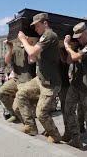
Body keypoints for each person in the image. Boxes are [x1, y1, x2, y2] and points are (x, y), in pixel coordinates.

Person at [14, 13, 62, 143]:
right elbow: (32, 58)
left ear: (45, 23)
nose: (35, 29)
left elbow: (32, 53)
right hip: (40, 79)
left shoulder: (49, 35)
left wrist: (23, 39)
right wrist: (29, 46)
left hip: (50, 83)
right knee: (21, 94)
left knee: (41, 113)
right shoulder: (42, 39)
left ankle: (55, 135)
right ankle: (30, 126)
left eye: (37, 26)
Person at [63, 22, 87, 150]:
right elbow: (68, 60)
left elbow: (76, 56)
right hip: (75, 84)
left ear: (86, 33)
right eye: (77, 37)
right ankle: (76, 138)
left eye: (80, 36)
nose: (78, 38)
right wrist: (70, 47)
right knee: (68, 110)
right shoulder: (77, 47)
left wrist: (66, 45)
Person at [0, 39, 36, 123]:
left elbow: (32, 60)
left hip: (28, 80)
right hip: (16, 79)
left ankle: (29, 121)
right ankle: (14, 114)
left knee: (19, 101)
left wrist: (26, 42)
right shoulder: (15, 47)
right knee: (1, 92)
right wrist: (10, 48)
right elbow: (7, 61)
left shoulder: (31, 45)